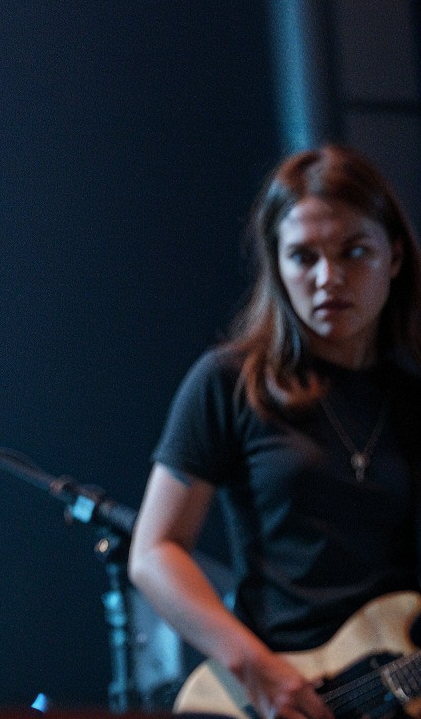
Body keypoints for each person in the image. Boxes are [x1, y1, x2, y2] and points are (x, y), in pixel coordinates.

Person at [132, 145, 421, 719]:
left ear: (393, 257)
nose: (327, 278)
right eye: (303, 257)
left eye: (354, 252)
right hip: (280, 685)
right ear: (277, 264)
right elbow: (154, 550)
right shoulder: (230, 382)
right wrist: (251, 666)